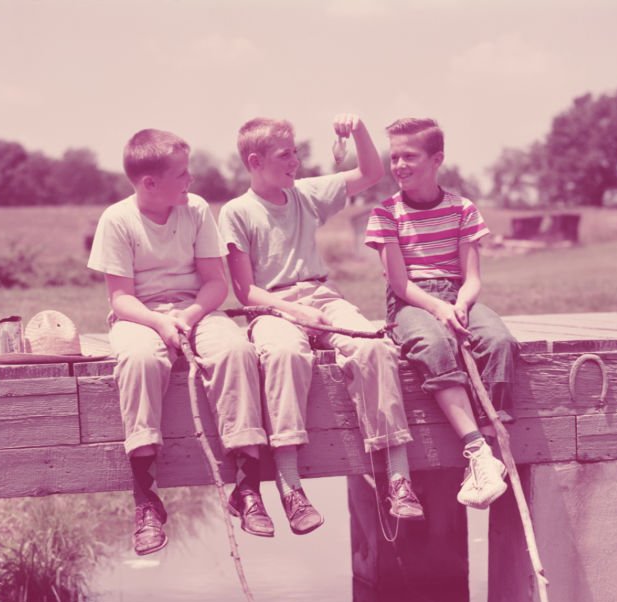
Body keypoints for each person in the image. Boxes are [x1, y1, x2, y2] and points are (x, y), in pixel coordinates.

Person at [219, 114, 424, 534]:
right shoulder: (237, 213)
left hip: (322, 295)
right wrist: (293, 313)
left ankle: (399, 478)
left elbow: (371, 172)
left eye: (295, 152)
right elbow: (245, 292)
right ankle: (290, 487)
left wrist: (360, 130)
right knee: (284, 353)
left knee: (373, 345)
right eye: (284, 155)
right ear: (255, 161)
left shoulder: (306, 194)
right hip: (271, 306)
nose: (294, 161)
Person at [88, 128, 271, 556]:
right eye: (182, 174)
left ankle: (247, 487)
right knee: (138, 361)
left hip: (196, 308)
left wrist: (186, 318)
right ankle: (146, 497)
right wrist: (158, 323)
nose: (191, 181)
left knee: (236, 350)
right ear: (150, 183)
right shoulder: (117, 219)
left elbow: (214, 284)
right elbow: (120, 297)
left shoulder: (197, 211)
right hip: (141, 313)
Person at [365, 117, 517, 509]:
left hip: (457, 295)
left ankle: (488, 444)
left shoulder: (462, 208)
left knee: (499, 339)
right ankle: (476, 448)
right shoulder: (385, 214)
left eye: (409, 156)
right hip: (412, 303)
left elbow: (472, 278)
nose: (399, 165)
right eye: (394, 157)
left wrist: (461, 305)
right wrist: (438, 309)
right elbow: (400, 285)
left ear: (437, 160)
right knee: (433, 344)